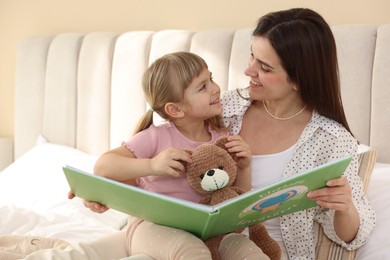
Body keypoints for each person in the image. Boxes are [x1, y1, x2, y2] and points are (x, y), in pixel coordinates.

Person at [23, 51, 274, 260]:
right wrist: (152, 165)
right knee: (191, 252)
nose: (216, 89)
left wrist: (245, 166)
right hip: (152, 228)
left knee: (248, 251)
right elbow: (103, 166)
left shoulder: (221, 137)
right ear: (174, 109)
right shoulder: (156, 137)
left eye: (211, 79)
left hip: (211, 234)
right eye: (203, 86)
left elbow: (236, 200)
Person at [220, 8, 376, 259]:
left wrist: (344, 207)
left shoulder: (331, 140)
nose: (249, 71)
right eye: (252, 56)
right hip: (205, 246)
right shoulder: (225, 108)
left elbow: (350, 236)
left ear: (298, 80)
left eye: (265, 68)